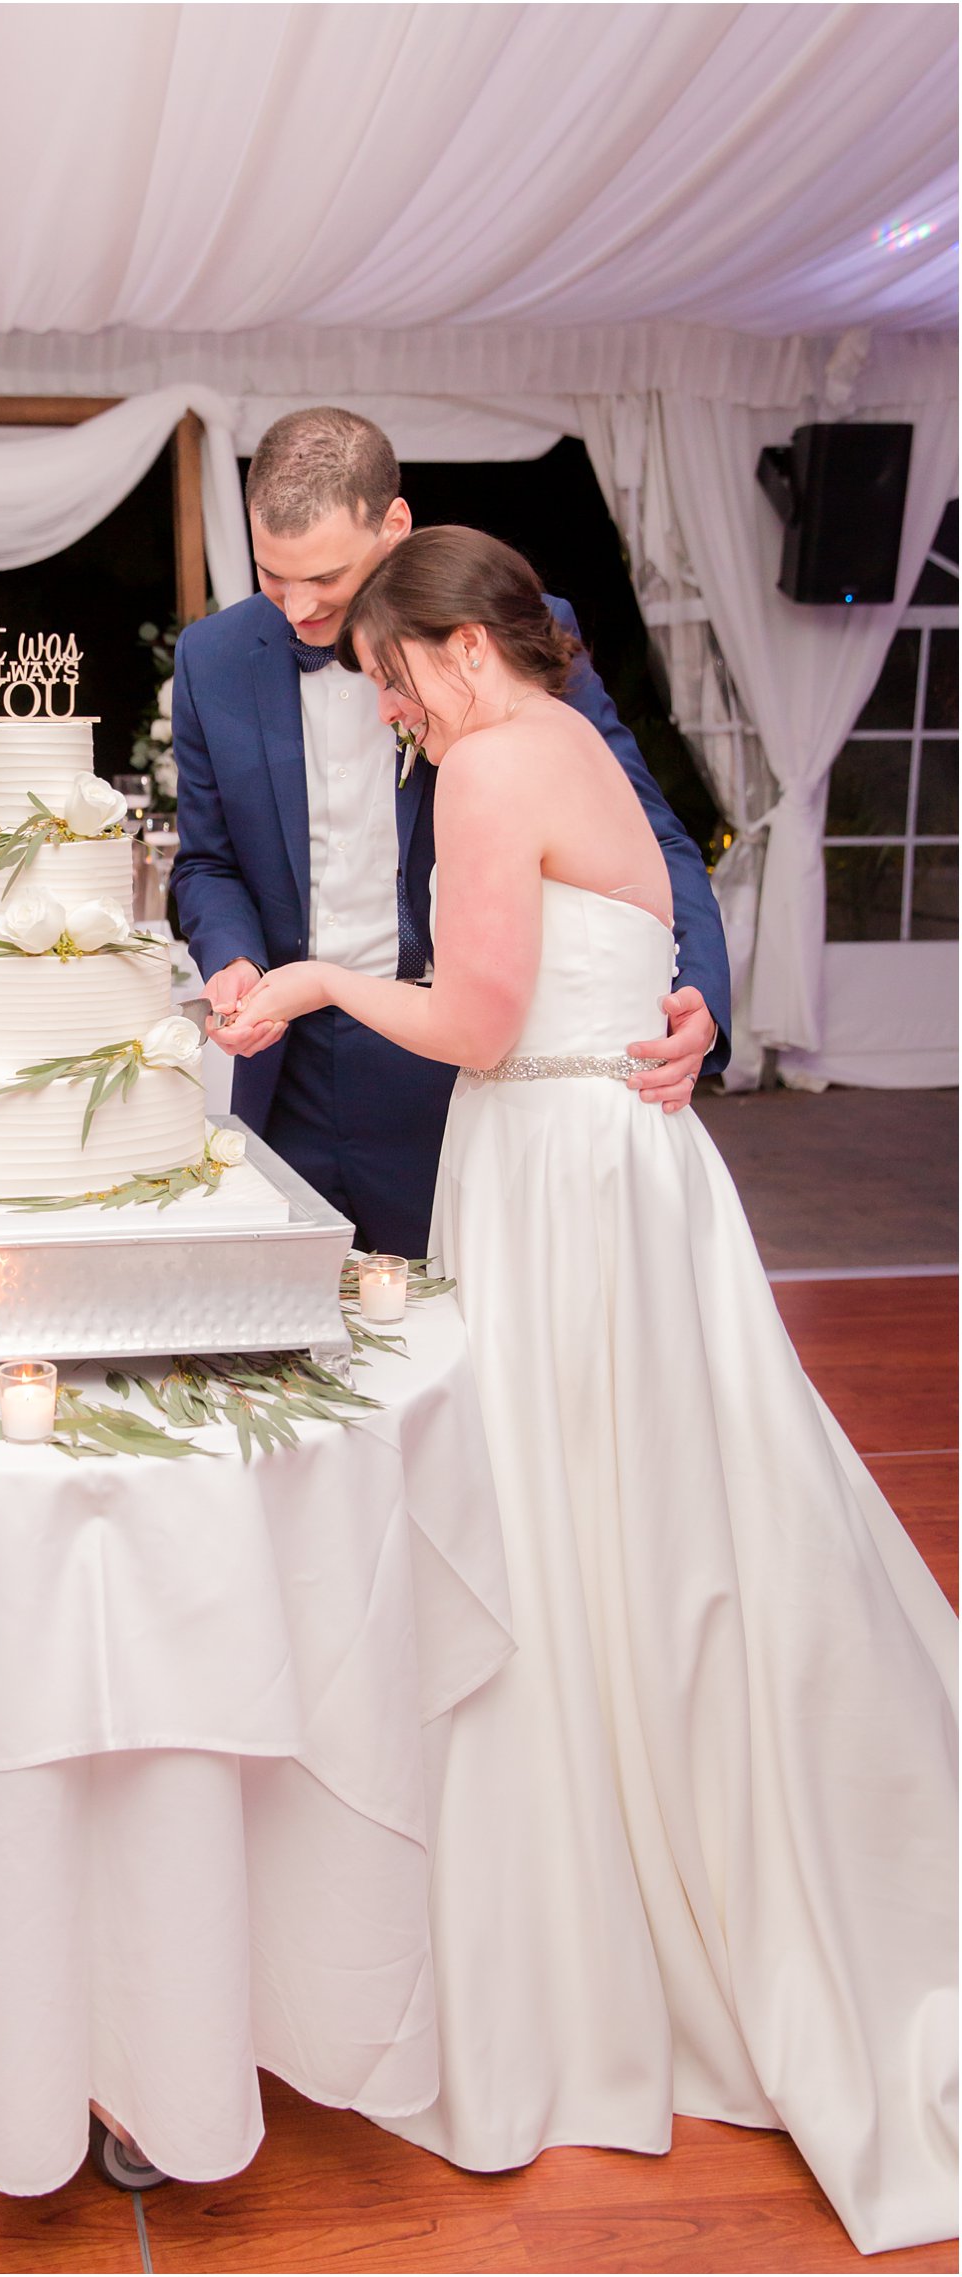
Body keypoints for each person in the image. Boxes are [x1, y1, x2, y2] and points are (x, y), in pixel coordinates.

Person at [238, 527, 959, 2257]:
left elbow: (483, 1023)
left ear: (456, 649)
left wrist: (326, 982)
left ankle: (594, 1933)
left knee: (573, 1538)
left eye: (395, 682)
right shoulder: (570, 749)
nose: (399, 718)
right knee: (662, 1530)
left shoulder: (493, 764)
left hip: (563, 1175)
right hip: (629, 1182)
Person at [171, 406, 730, 1257]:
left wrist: (704, 1000)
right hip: (288, 1078)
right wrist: (236, 958)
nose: (298, 607)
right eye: (272, 576)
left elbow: (649, 833)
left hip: (457, 1069)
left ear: (393, 525)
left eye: (324, 575)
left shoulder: (499, 631)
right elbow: (208, 863)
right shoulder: (211, 659)